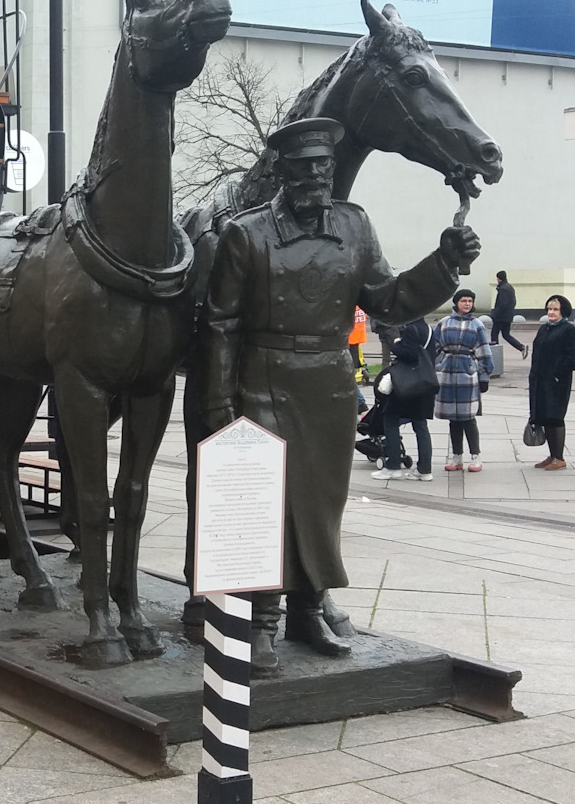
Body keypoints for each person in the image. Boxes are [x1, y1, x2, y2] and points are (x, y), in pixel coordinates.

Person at [201, 115, 477, 671]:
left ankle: (308, 608)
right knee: (269, 503)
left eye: (324, 169)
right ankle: (260, 619)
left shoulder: (354, 226)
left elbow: (388, 299)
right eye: (304, 170)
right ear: (283, 171)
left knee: (323, 502)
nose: (316, 180)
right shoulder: (245, 233)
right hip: (263, 376)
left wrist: (445, 263)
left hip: (327, 382)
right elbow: (220, 325)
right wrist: (216, 402)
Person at [431, 288, 493, 472]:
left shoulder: (477, 325)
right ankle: (456, 456)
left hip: (467, 372)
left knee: (468, 417)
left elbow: (484, 351)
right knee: (453, 418)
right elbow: (434, 348)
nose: (467, 304)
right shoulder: (444, 323)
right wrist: (436, 367)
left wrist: (484, 375)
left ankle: (476, 456)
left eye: (470, 301)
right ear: (456, 302)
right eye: (464, 301)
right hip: (448, 372)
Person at [373, 316, 434, 481]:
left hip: (407, 385)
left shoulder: (410, 329)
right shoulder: (428, 329)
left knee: (390, 420)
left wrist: (396, 344)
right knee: (420, 425)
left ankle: (393, 466)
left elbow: (409, 353)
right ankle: (425, 469)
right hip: (423, 383)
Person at [526, 295, 575, 470]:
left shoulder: (567, 329)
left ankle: (560, 457)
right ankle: (551, 455)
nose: (551, 312)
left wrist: (558, 375)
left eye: (555, 309)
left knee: (555, 417)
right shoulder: (544, 329)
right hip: (540, 380)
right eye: (549, 309)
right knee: (544, 417)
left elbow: (572, 356)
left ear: (563, 311)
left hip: (557, 382)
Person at [489, 270, 527, 357]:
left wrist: (495, 314)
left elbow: (503, 304)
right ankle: (521, 347)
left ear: (499, 279)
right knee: (506, 335)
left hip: (501, 317)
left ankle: (495, 356)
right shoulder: (509, 287)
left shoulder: (503, 289)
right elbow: (513, 302)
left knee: (494, 334)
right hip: (508, 316)